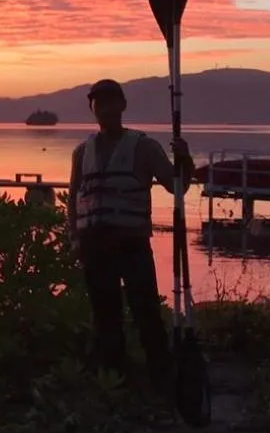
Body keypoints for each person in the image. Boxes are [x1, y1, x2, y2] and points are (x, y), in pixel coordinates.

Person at [66, 78, 191, 396]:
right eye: (98, 103)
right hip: (95, 245)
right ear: (92, 108)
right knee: (105, 316)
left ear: (122, 105)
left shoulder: (144, 147)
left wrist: (184, 160)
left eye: (110, 102)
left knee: (145, 312)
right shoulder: (82, 152)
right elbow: (73, 199)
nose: (104, 109)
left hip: (131, 243)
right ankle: (115, 379)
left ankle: (162, 379)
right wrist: (74, 238)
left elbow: (178, 187)